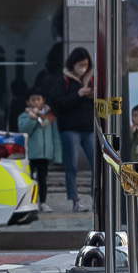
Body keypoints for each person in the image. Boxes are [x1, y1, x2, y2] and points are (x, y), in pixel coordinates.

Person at [41, 45, 99, 210]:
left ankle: (97, 199)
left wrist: (92, 97)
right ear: (72, 64)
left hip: (88, 128)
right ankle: (75, 200)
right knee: (72, 165)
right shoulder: (63, 79)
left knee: (97, 164)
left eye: (86, 65)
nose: (83, 69)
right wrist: (77, 95)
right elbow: (59, 103)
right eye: (80, 65)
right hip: (70, 128)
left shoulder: (91, 79)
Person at [16, 92, 59, 204]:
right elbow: (24, 130)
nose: (35, 102)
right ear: (27, 102)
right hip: (30, 154)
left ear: (43, 100)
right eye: (33, 100)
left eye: (38, 99)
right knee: (28, 179)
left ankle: (43, 202)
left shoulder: (49, 116)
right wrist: (32, 118)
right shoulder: (24, 116)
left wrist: (57, 156)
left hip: (44, 155)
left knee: (43, 180)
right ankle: (28, 202)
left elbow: (55, 136)